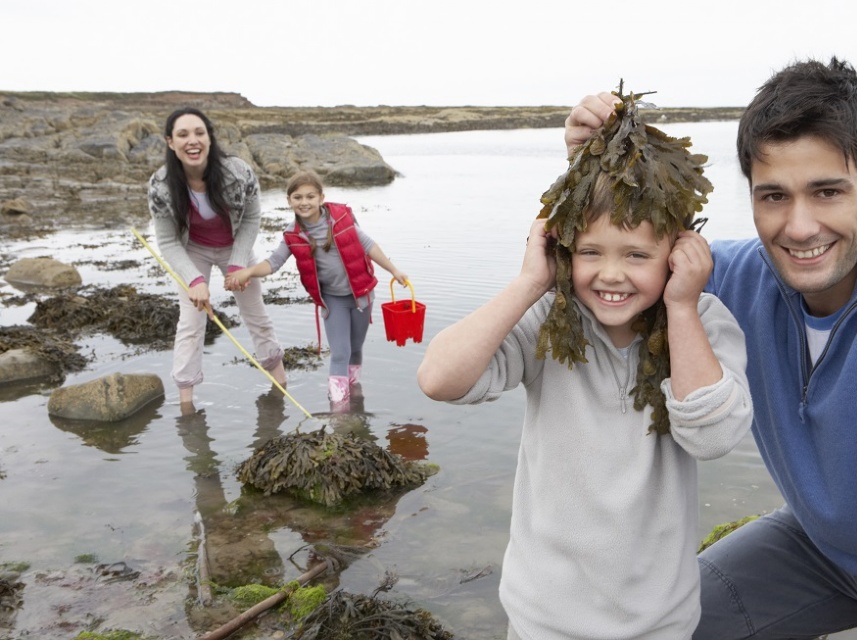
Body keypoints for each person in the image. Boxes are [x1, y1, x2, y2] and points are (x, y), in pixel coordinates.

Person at [566, 57, 857, 639]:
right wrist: (591, 170)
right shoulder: (736, 278)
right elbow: (621, 269)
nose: (799, 228)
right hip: (817, 546)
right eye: (774, 196)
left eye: (827, 191)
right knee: (663, 624)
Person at [417, 93, 753, 639]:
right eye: (591, 252)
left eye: (637, 255)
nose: (611, 274)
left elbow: (713, 436)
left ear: (678, 252)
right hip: (541, 621)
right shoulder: (547, 323)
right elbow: (439, 379)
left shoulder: (704, 322)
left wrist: (683, 306)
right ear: (564, 249)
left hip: (660, 624)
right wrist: (530, 282)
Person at [226, 169, 407, 411]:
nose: (304, 202)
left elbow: (368, 245)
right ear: (289, 201)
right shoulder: (292, 235)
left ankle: (354, 391)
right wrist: (247, 272)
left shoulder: (342, 218)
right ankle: (339, 409)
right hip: (332, 299)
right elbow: (274, 262)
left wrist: (394, 270)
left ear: (321, 198)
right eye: (298, 197)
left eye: (310, 196)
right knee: (340, 352)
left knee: (355, 348)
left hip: (362, 295)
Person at [147, 107, 285, 407]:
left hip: (235, 246)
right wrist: (194, 280)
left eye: (199, 132)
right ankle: (186, 406)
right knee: (190, 322)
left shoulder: (239, 172)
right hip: (192, 249)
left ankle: (281, 386)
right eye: (183, 134)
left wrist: (238, 264)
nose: (192, 140)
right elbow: (169, 241)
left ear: (210, 138)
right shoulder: (160, 186)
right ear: (170, 142)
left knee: (256, 315)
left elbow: (251, 219)